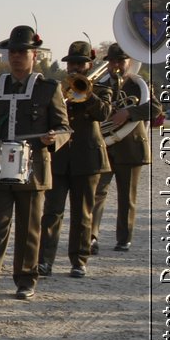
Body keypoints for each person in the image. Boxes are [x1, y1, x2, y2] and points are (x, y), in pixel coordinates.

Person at [0, 25, 69, 302]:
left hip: (34, 169)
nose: (16, 57)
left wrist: (54, 139)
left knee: (29, 229)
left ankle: (26, 279)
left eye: (22, 52)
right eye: (12, 52)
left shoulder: (49, 88)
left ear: (34, 55)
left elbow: (64, 127)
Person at [37, 41, 113, 278]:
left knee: (83, 213)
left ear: (89, 65)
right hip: (60, 157)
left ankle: (79, 260)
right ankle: (45, 261)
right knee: (52, 212)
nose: (75, 68)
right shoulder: (57, 88)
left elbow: (103, 113)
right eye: (72, 64)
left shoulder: (100, 89)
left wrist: (86, 92)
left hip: (88, 158)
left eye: (80, 64)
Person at [93, 43, 159, 252]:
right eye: (112, 61)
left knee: (126, 196)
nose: (116, 65)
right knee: (97, 193)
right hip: (104, 146)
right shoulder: (100, 84)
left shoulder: (139, 84)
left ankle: (124, 239)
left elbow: (156, 108)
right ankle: (91, 236)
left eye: (120, 61)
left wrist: (129, 113)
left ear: (129, 62)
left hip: (131, 148)